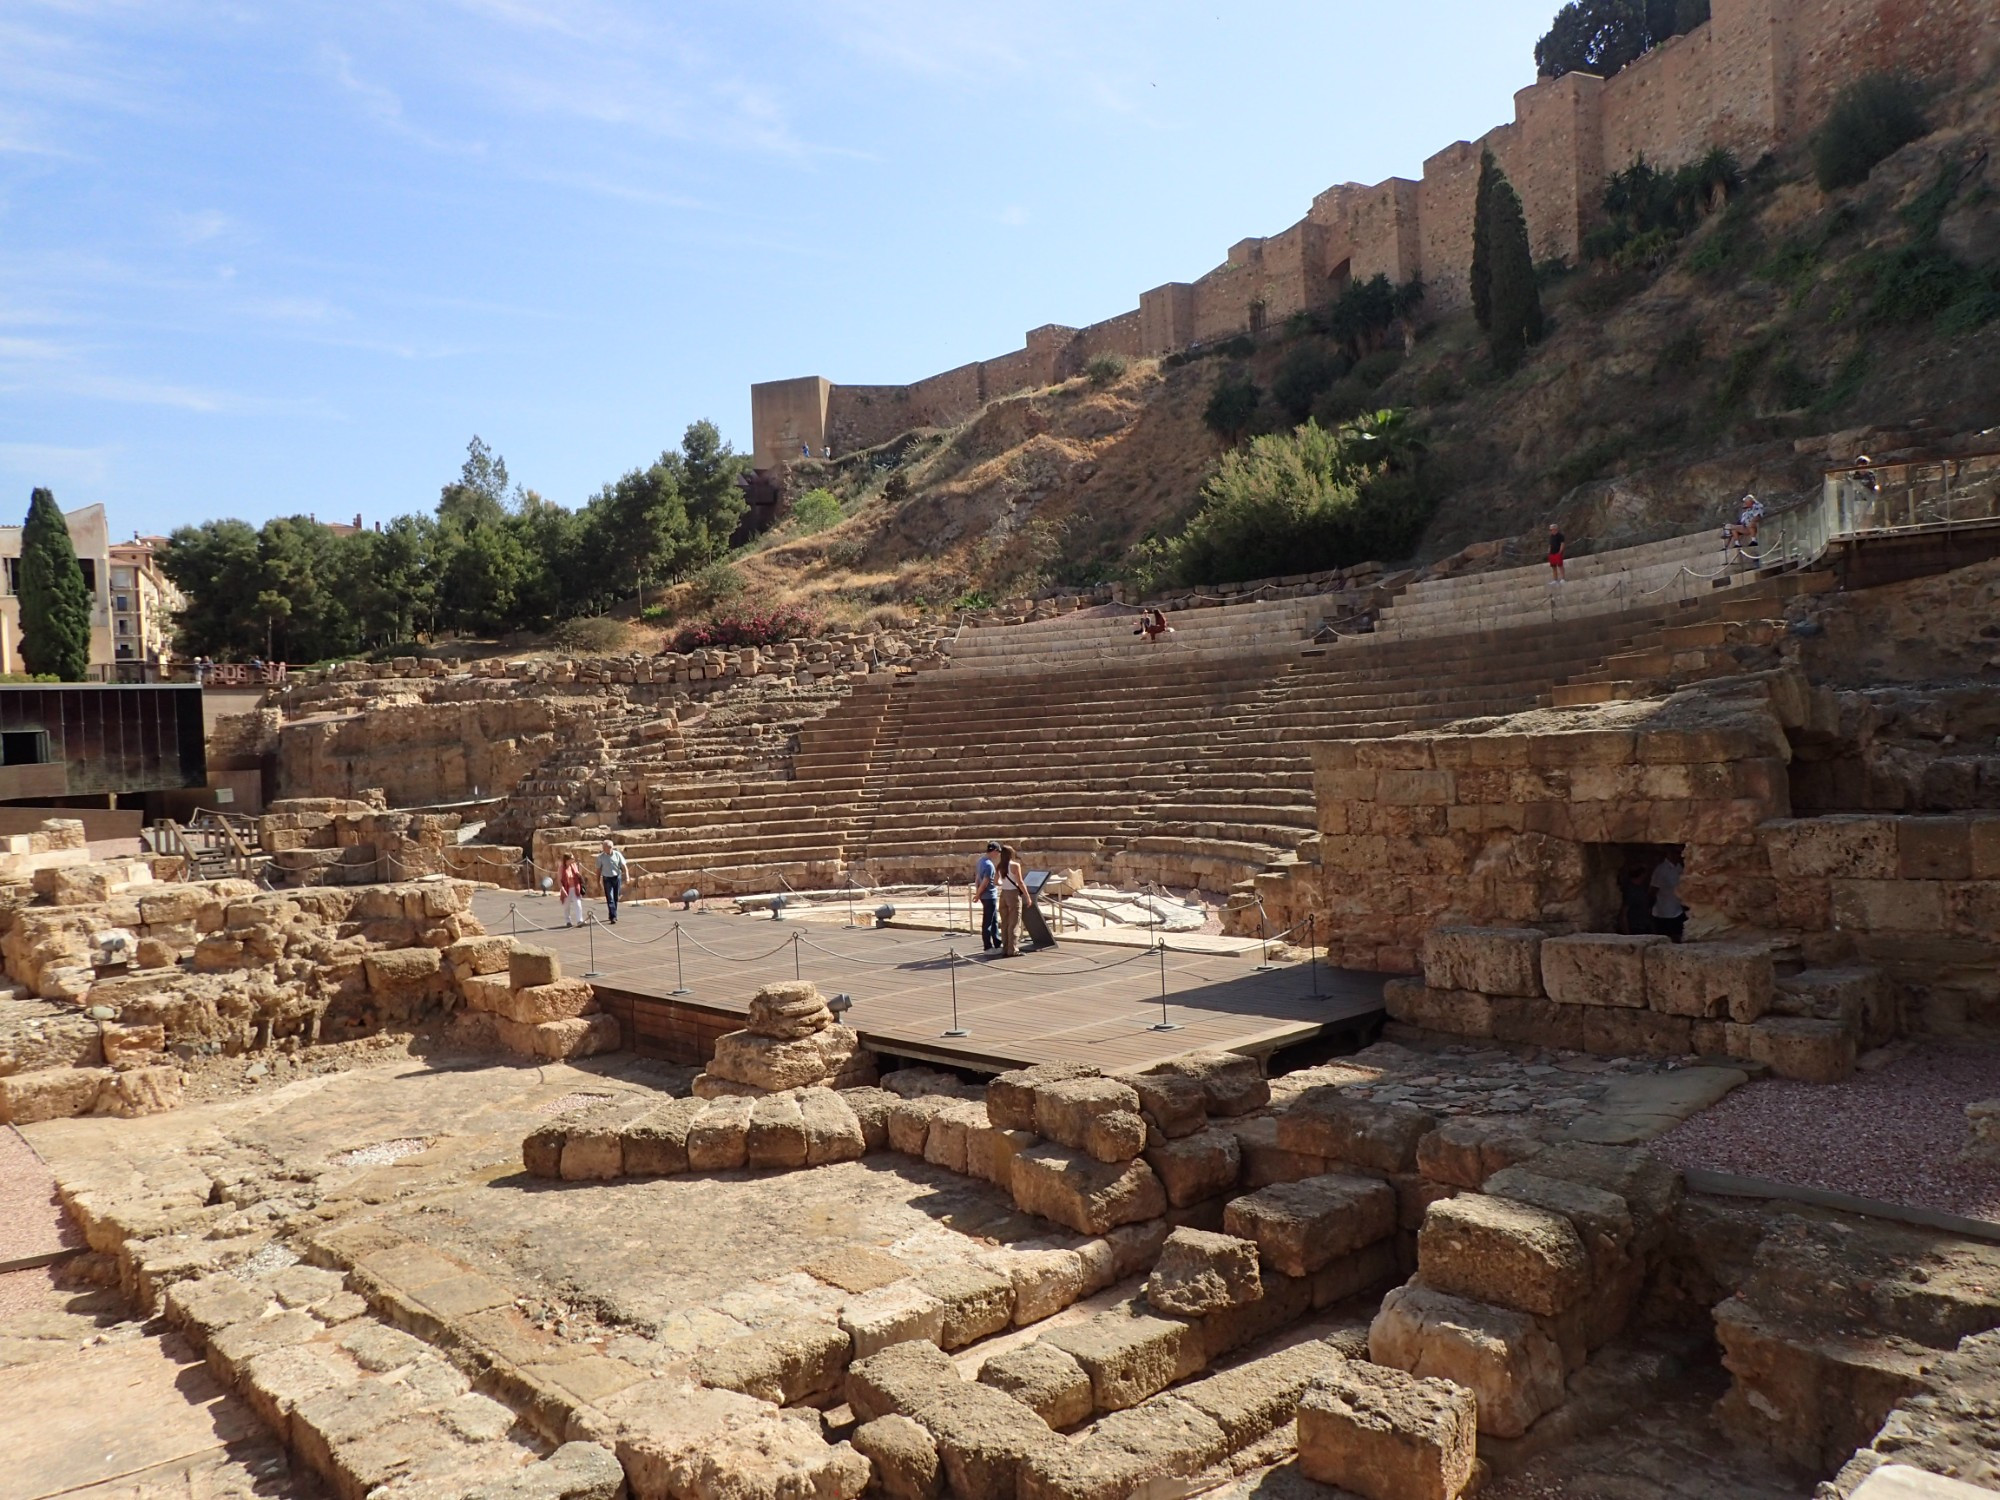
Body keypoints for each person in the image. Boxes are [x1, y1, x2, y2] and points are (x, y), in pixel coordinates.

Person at [995, 844, 1032, 958]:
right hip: (1013, 894)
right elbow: (1020, 882)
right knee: (1014, 923)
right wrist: (1027, 896)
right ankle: (1013, 949)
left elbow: (996, 882)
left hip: (1003, 894)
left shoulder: (999, 866)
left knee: (1005, 923)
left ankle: (1005, 948)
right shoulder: (1015, 865)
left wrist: (1004, 883)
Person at [1650, 853, 1686, 943]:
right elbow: (1653, 889)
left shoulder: (1679, 867)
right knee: (1664, 939)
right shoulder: (1661, 869)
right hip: (1663, 911)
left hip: (1677, 909)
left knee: (1678, 937)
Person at [974, 842, 1001, 952]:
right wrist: (978, 894)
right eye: (998, 852)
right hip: (989, 895)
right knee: (988, 922)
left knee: (994, 920)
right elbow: (985, 882)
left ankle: (997, 943)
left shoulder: (980, 861)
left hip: (985, 896)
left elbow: (977, 878)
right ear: (994, 851)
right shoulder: (989, 865)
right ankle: (988, 947)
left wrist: (978, 893)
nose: (998, 854)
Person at [595, 837, 627, 925]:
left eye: (605, 848)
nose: (604, 850)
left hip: (617, 877)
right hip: (607, 878)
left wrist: (627, 876)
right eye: (603, 848)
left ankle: (612, 913)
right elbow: (598, 870)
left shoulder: (617, 854)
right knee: (610, 898)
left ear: (610, 848)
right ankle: (613, 916)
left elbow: (624, 866)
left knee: (616, 897)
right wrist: (597, 882)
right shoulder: (600, 857)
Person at [557, 853, 586, 928]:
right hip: (567, 888)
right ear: (567, 860)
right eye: (572, 858)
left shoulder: (574, 866)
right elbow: (559, 880)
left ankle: (579, 920)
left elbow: (579, 875)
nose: (573, 860)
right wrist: (562, 889)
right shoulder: (561, 868)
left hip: (575, 888)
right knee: (566, 906)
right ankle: (568, 921)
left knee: (578, 904)